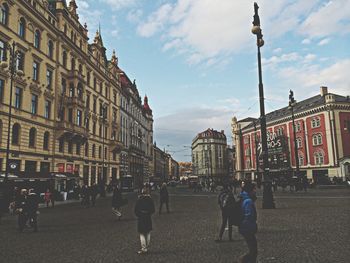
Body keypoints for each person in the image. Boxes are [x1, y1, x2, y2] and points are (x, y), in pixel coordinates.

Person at [238, 182, 258, 263]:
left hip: (244, 228)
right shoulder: (248, 201)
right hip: (247, 228)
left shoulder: (244, 198)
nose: (255, 191)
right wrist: (251, 228)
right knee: (253, 250)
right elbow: (248, 216)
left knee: (253, 249)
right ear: (250, 190)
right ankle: (243, 260)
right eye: (254, 189)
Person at [134, 187, 155, 254]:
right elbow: (153, 209)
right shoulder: (150, 200)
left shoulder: (139, 199)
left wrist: (139, 215)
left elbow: (136, 209)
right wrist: (149, 213)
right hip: (148, 217)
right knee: (148, 232)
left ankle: (144, 247)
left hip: (141, 217)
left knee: (142, 233)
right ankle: (147, 246)